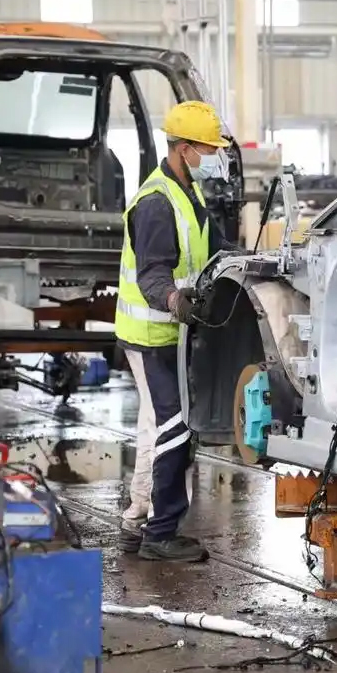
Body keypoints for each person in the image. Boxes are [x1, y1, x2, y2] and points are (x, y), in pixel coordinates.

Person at [115, 100, 231, 562]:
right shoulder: (156, 203)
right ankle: (159, 536)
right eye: (210, 149)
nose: (215, 157)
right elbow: (152, 276)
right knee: (175, 430)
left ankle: (137, 522)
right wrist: (174, 300)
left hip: (174, 336)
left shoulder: (188, 193)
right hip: (150, 336)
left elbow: (214, 248)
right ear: (185, 149)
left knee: (160, 429)